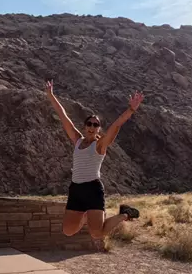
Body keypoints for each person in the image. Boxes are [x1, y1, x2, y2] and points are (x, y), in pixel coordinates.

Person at [45, 80, 143, 246]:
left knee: (97, 233)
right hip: (76, 189)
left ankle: (124, 214)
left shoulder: (100, 145)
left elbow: (116, 125)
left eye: (95, 124)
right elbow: (63, 116)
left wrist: (131, 109)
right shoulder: (77, 140)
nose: (92, 126)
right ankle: (85, 215)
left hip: (92, 189)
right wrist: (51, 95)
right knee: (68, 231)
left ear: (99, 129)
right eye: (89, 124)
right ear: (84, 127)